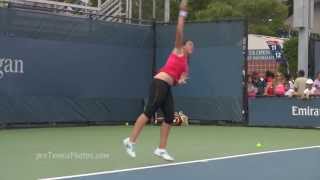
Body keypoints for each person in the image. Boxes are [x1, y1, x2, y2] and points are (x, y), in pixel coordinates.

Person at [123, 0, 193, 161]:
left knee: (169, 117)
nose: (191, 46)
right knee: (149, 111)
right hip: (159, 83)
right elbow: (179, 30)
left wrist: (180, 81)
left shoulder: (185, 67)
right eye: (189, 43)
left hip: (167, 86)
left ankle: (161, 149)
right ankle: (130, 141)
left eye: (192, 45)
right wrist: (182, 13)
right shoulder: (178, 50)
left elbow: (177, 79)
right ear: (183, 45)